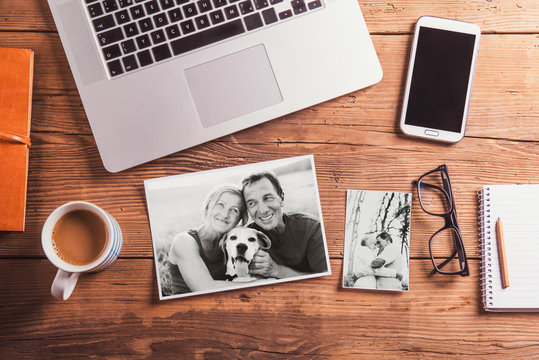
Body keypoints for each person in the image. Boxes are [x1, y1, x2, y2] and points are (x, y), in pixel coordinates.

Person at [241, 171, 328, 279]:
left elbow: (325, 280)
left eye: (268, 198)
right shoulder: (246, 237)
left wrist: (277, 271)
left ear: (281, 197)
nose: (262, 210)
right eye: (252, 203)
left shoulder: (312, 229)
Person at [167, 184, 248, 294]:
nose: (225, 214)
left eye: (234, 210)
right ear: (208, 205)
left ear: (239, 219)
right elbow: (205, 288)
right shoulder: (184, 241)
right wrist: (265, 282)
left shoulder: (232, 242)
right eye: (220, 204)